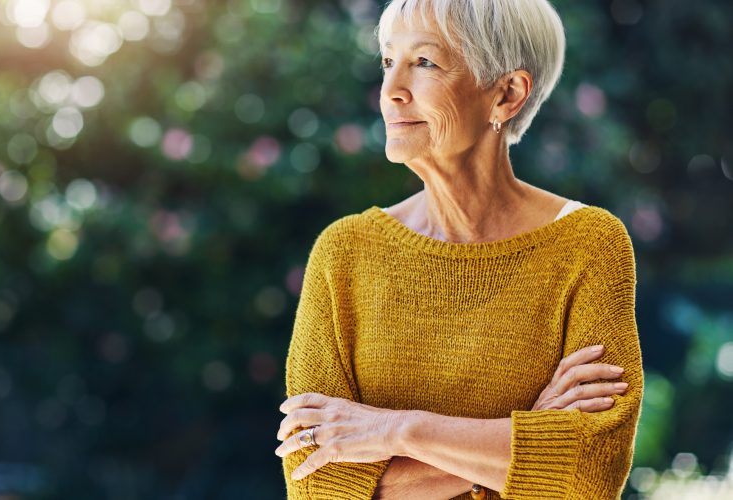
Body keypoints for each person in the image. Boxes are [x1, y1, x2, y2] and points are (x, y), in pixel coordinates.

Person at [274, 0, 643, 498]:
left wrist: (397, 431)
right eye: (387, 62)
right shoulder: (343, 254)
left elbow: (589, 472)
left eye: (424, 62)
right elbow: (314, 481)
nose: (390, 92)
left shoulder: (588, 244)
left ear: (507, 94)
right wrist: (529, 435)